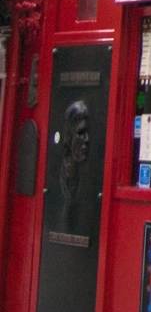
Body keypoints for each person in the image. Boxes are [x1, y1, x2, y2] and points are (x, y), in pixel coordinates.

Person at [58, 100, 91, 233]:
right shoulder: (65, 174)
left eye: (87, 132)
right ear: (70, 135)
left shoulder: (88, 177)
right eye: (80, 133)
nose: (86, 139)